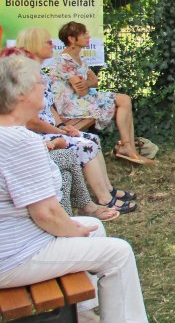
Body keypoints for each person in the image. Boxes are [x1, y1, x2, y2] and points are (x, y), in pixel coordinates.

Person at [0, 55, 148, 322]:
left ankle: (82, 314)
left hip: (14, 240)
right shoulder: (20, 141)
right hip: (14, 256)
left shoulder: (8, 132)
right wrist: (73, 230)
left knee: (95, 227)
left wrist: (75, 227)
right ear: (21, 94)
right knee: (119, 253)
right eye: (39, 82)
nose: (44, 85)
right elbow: (46, 214)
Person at [7, 33, 138, 213]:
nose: (53, 45)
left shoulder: (40, 74)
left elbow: (50, 106)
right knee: (85, 146)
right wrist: (58, 132)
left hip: (51, 129)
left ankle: (109, 190)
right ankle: (104, 199)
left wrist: (61, 126)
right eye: (48, 42)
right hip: (38, 135)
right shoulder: (24, 78)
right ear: (34, 43)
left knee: (92, 139)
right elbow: (33, 122)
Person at [48, 22, 151, 165]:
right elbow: (81, 91)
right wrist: (87, 83)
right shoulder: (64, 60)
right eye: (84, 34)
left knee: (125, 101)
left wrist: (87, 83)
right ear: (71, 39)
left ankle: (129, 148)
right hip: (71, 105)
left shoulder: (80, 59)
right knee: (123, 105)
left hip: (83, 99)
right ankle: (127, 148)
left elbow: (95, 82)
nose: (88, 36)